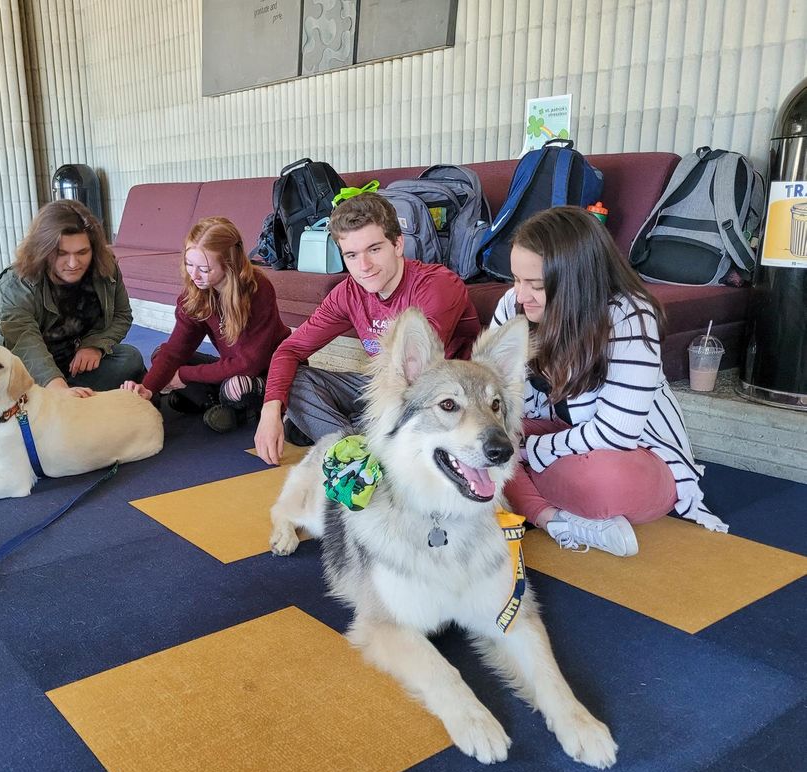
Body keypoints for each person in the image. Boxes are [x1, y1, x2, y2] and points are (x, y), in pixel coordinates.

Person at [493, 205, 727, 557]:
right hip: (553, 433)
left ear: (575, 281)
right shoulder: (514, 305)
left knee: (600, 482)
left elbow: (617, 434)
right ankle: (556, 520)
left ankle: (524, 490)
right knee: (479, 441)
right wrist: (507, 441)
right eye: (515, 279)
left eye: (536, 285)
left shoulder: (628, 315)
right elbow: (492, 395)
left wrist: (529, 451)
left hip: (630, 452)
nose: (521, 295)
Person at [254, 192, 481, 465]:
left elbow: (418, 375)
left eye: (374, 249)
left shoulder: (437, 286)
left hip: (443, 397)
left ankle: (357, 445)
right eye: (351, 255)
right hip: (383, 390)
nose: (364, 267)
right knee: (293, 382)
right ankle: (355, 453)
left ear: (397, 244)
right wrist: (271, 410)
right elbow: (290, 350)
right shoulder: (348, 293)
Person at [123, 217, 291, 432]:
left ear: (229, 265)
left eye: (204, 268)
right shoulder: (197, 293)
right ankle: (217, 406)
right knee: (160, 357)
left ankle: (220, 405)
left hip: (268, 371)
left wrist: (184, 376)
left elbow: (248, 364)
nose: (194, 275)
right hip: (232, 366)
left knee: (237, 387)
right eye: (189, 264)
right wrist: (147, 388)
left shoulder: (258, 289)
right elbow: (175, 350)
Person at [0, 199, 144, 397]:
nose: (73, 263)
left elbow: (122, 315)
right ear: (43, 250)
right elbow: (24, 342)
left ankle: (69, 398)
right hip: (26, 369)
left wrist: (95, 345)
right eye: (61, 253)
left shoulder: (105, 268)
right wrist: (57, 388)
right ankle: (65, 398)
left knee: (129, 359)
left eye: (82, 252)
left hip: (72, 364)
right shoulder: (15, 283)